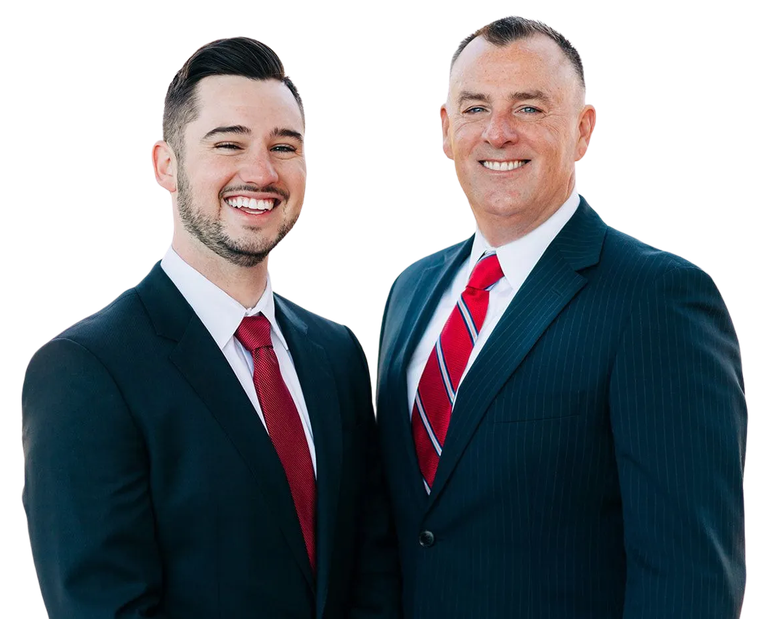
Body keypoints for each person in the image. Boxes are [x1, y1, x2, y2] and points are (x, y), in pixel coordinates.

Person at [376, 15, 746, 619]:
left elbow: (690, 579)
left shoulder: (657, 299)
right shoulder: (412, 291)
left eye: (529, 108)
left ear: (583, 129)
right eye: (475, 108)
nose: (498, 133)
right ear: (444, 130)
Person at [22, 36, 400, 618]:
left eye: (285, 146)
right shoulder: (86, 371)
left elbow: (370, 569)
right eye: (228, 143)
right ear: (165, 165)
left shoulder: (335, 353)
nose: (261, 171)